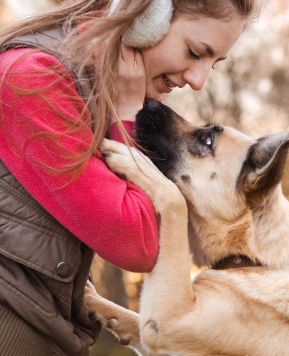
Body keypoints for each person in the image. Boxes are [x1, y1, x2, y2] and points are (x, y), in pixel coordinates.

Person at [0, 0, 259, 355]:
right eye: (195, 52)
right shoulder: (35, 79)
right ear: (147, 19)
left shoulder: (84, 86)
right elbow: (140, 244)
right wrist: (127, 115)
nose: (198, 81)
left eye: (213, 64)